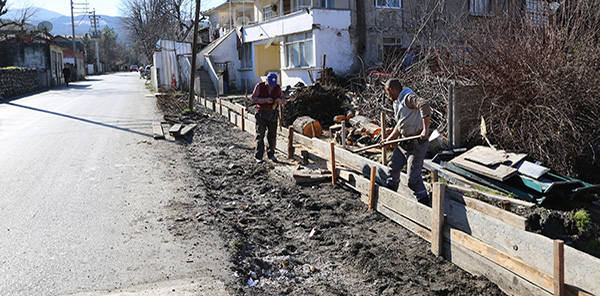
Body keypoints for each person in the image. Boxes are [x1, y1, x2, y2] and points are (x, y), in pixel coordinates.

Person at [379, 78, 431, 203]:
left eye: (387, 93)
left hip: (416, 144)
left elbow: (424, 104)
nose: (387, 96)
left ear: (391, 90)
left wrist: (425, 129)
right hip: (404, 143)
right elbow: (400, 124)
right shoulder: (397, 101)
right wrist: (388, 139)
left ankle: (424, 204)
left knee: (413, 180)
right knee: (392, 170)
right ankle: (390, 199)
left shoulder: (408, 98)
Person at [251, 73, 286, 163]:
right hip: (261, 113)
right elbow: (253, 98)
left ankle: (271, 154)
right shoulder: (259, 86)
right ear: (266, 80)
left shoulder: (278, 88)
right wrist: (265, 100)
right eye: (270, 83)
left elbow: (283, 99)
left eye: (273, 84)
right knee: (260, 135)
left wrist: (279, 101)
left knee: (272, 135)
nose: (272, 86)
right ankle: (259, 156)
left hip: (273, 114)